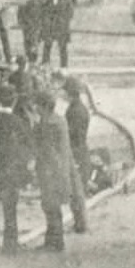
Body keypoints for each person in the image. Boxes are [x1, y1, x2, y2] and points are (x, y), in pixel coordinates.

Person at [0, 88, 31, 253]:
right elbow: (27, 149)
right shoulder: (18, 123)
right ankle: (10, 244)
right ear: (13, 101)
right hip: (11, 173)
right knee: (10, 211)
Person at [33, 92, 73, 251]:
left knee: (51, 206)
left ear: (43, 106)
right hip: (59, 169)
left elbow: (47, 151)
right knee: (51, 206)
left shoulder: (47, 124)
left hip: (50, 171)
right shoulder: (58, 119)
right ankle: (52, 240)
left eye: (37, 105)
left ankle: (55, 242)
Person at [63, 79, 92, 232]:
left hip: (77, 151)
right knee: (76, 191)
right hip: (79, 150)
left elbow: (75, 135)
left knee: (77, 191)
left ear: (70, 93)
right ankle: (79, 223)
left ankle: (81, 224)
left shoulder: (75, 111)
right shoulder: (77, 108)